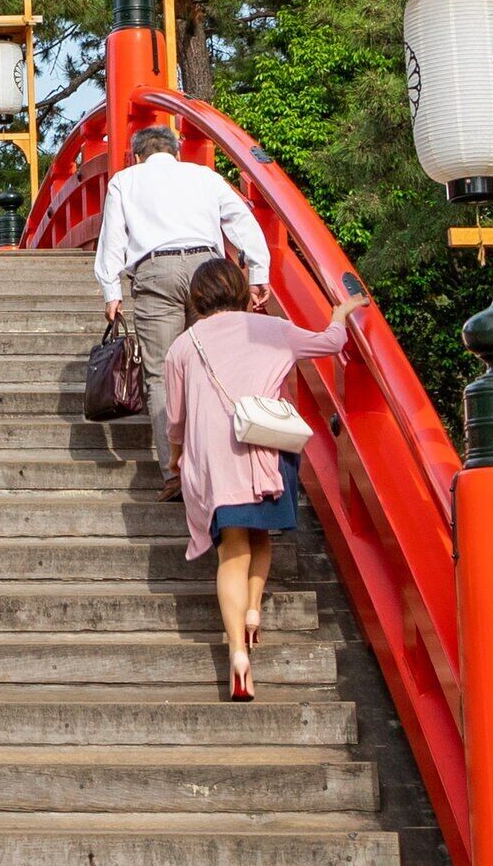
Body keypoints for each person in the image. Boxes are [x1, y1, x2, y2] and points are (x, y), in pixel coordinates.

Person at [160, 255, 358, 701]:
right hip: (269, 446)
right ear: (240, 289)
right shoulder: (270, 329)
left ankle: (236, 652)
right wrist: (340, 315)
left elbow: (175, 420)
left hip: (216, 455)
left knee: (233, 545)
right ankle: (252, 611)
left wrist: (176, 460)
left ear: (196, 298)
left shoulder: (183, 347)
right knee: (262, 536)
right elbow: (329, 343)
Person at [94, 121, 270, 490]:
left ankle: (174, 474)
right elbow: (241, 220)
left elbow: (112, 238)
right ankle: (220, 468)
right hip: (207, 272)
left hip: (155, 270)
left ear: (137, 156)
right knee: (213, 366)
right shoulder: (204, 176)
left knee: (159, 373)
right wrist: (257, 271)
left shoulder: (125, 181)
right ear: (176, 152)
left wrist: (112, 291)